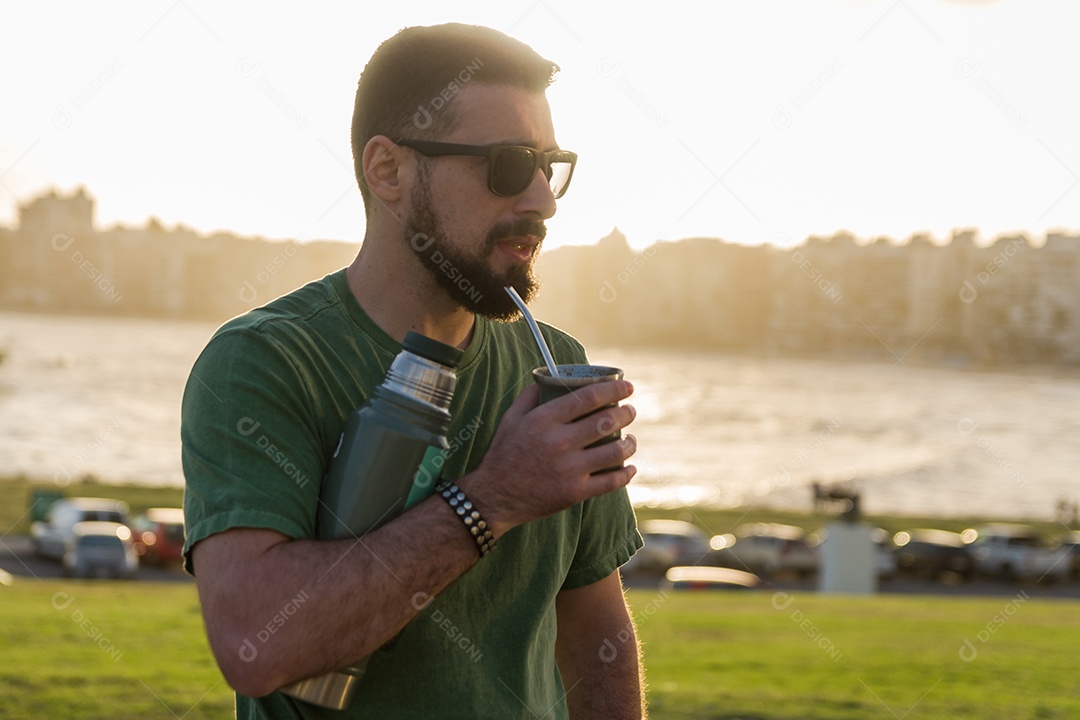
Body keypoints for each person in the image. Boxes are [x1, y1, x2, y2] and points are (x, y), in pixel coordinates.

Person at [181, 23, 646, 720]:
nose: (543, 200)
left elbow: (594, 635)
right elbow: (255, 643)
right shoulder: (266, 362)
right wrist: (493, 497)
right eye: (510, 164)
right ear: (389, 171)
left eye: (551, 165)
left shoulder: (558, 367)